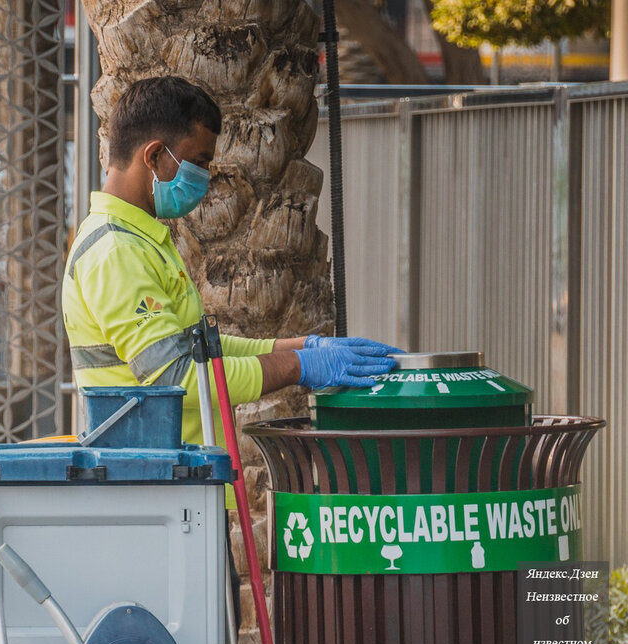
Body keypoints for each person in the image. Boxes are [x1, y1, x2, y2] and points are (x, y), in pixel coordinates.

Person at [62, 75, 401, 451]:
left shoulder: (140, 240)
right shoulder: (116, 252)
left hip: (177, 485)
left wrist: (305, 346)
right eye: (198, 162)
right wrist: (298, 367)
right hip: (157, 487)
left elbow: (198, 352)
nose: (205, 178)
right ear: (155, 155)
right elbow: (177, 376)